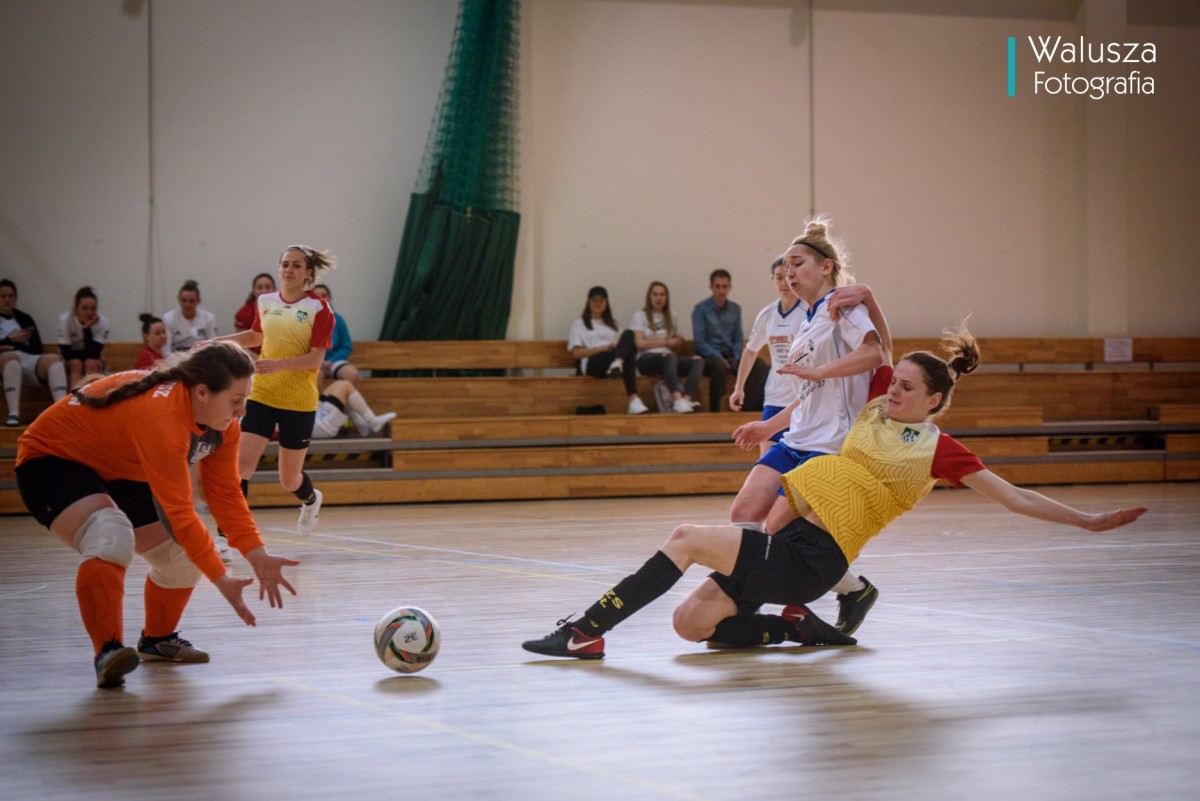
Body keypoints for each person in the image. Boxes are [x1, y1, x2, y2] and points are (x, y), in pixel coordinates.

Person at [521, 327, 1148, 660]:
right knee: (692, 626)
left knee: (686, 537)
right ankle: (792, 629)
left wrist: (1088, 521)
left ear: (933, 400)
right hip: (785, 537)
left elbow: (1016, 497)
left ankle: (585, 631)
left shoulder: (939, 449)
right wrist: (864, 295)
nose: (893, 389)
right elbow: (878, 340)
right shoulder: (874, 404)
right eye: (895, 381)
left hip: (816, 555)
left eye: (907, 387)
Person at [14, 341, 301, 688]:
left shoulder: (224, 425)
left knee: (181, 560)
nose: (242, 412)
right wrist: (221, 579)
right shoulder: (162, 417)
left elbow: (225, 495)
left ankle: (157, 641)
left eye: (246, 400)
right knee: (111, 536)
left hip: (118, 466)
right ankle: (107, 651)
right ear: (202, 392)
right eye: (236, 401)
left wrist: (258, 555)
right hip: (52, 459)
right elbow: (180, 512)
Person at [725, 219, 891, 633]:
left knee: (779, 531)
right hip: (796, 436)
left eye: (797, 265)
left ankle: (846, 590)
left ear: (826, 266)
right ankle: (758, 596)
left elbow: (874, 354)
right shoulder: (806, 321)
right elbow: (809, 393)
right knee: (744, 511)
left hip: (830, 443)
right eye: (785, 269)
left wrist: (822, 371)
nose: (790, 274)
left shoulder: (843, 306)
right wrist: (769, 427)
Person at [203, 245, 335, 537]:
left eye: (296, 265)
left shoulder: (319, 308)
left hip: (298, 401)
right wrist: (217, 342)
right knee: (241, 468)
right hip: (262, 395)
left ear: (308, 273)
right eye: (285, 264)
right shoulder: (265, 301)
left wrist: (278, 364)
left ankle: (311, 500)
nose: (289, 270)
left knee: (288, 480)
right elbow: (255, 336)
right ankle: (227, 536)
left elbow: (316, 359)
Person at [729, 256, 803, 455]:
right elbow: (750, 350)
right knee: (767, 459)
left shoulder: (809, 311)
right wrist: (739, 388)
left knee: (799, 462)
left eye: (787, 276)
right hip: (775, 397)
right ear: (773, 280)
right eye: (779, 277)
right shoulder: (767, 315)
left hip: (802, 398)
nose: (784, 282)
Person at [692, 268, 769, 412]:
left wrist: (737, 356)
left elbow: (737, 337)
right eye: (717, 286)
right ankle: (714, 413)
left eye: (724, 286)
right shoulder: (701, 309)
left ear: (729, 287)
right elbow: (700, 342)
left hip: (731, 355)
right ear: (711, 287)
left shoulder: (735, 309)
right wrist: (719, 357)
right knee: (719, 365)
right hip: (709, 357)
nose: (721, 290)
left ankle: (748, 409)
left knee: (759, 365)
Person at [567, 286, 647, 415]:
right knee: (625, 355)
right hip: (593, 362)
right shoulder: (579, 324)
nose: (598, 303)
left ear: (606, 303)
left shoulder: (614, 324)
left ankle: (618, 366)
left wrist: (617, 349)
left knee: (629, 334)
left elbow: (626, 346)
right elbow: (576, 354)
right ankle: (633, 398)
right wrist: (602, 348)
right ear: (588, 302)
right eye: (594, 300)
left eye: (601, 300)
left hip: (614, 358)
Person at [0, 278, 67, 426]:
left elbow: (37, 348)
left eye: (10, 296)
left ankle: (62, 411)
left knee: (55, 359)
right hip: (5, 362)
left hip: (27, 359)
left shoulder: (24, 318)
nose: (7, 300)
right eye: (3, 296)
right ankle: (13, 413)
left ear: (15, 298)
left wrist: (16, 342)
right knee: (11, 359)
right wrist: (10, 339)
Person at [631, 281, 703, 414]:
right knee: (669, 356)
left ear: (666, 298)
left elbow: (672, 341)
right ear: (649, 297)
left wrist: (677, 340)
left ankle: (686, 399)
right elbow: (640, 344)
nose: (659, 298)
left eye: (662, 295)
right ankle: (677, 399)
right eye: (655, 294)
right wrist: (666, 342)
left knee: (697, 360)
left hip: (668, 359)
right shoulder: (640, 316)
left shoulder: (672, 315)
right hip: (646, 359)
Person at [57, 286, 110, 389]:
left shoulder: (103, 322)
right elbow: (66, 353)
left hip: (90, 359)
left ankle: (92, 395)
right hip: (69, 359)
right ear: (76, 308)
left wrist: (86, 328)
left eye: (93, 308)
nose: (89, 313)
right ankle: (75, 396)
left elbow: (94, 354)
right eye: (84, 308)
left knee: (91, 363)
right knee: (76, 364)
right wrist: (88, 355)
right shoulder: (65, 320)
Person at [312, 283, 361, 387]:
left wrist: (331, 361)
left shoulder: (338, 320)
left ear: (329, 298)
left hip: (335, 361)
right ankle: (323, 399)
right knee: (315, 376)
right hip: (314, 362)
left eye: (324, 296)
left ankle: (337, 398)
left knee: (352, 374)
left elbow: (346, 346)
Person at [312, 379, 396, 439]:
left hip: (316, 417)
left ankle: (362, 424)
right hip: (321, 426)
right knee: (345, 385)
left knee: (338, 383)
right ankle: (371, 421)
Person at [163, 279, 218, 354]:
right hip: (177, 356)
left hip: (201, 356)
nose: (187, 304)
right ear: (178, 299)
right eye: (184, 300)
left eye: (191, 301)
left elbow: (213, 345)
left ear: (198, 301)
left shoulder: (209, 318)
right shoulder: (168, 318)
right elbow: (166, 349)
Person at [234, 272, 275, 356]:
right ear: (254, 291)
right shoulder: (243, 313)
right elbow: (240, 344)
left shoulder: (285, 310)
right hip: (253, 358)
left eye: (268, 287)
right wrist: (257, 360)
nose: (264, 291)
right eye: (260, 288)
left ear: (274, 290)